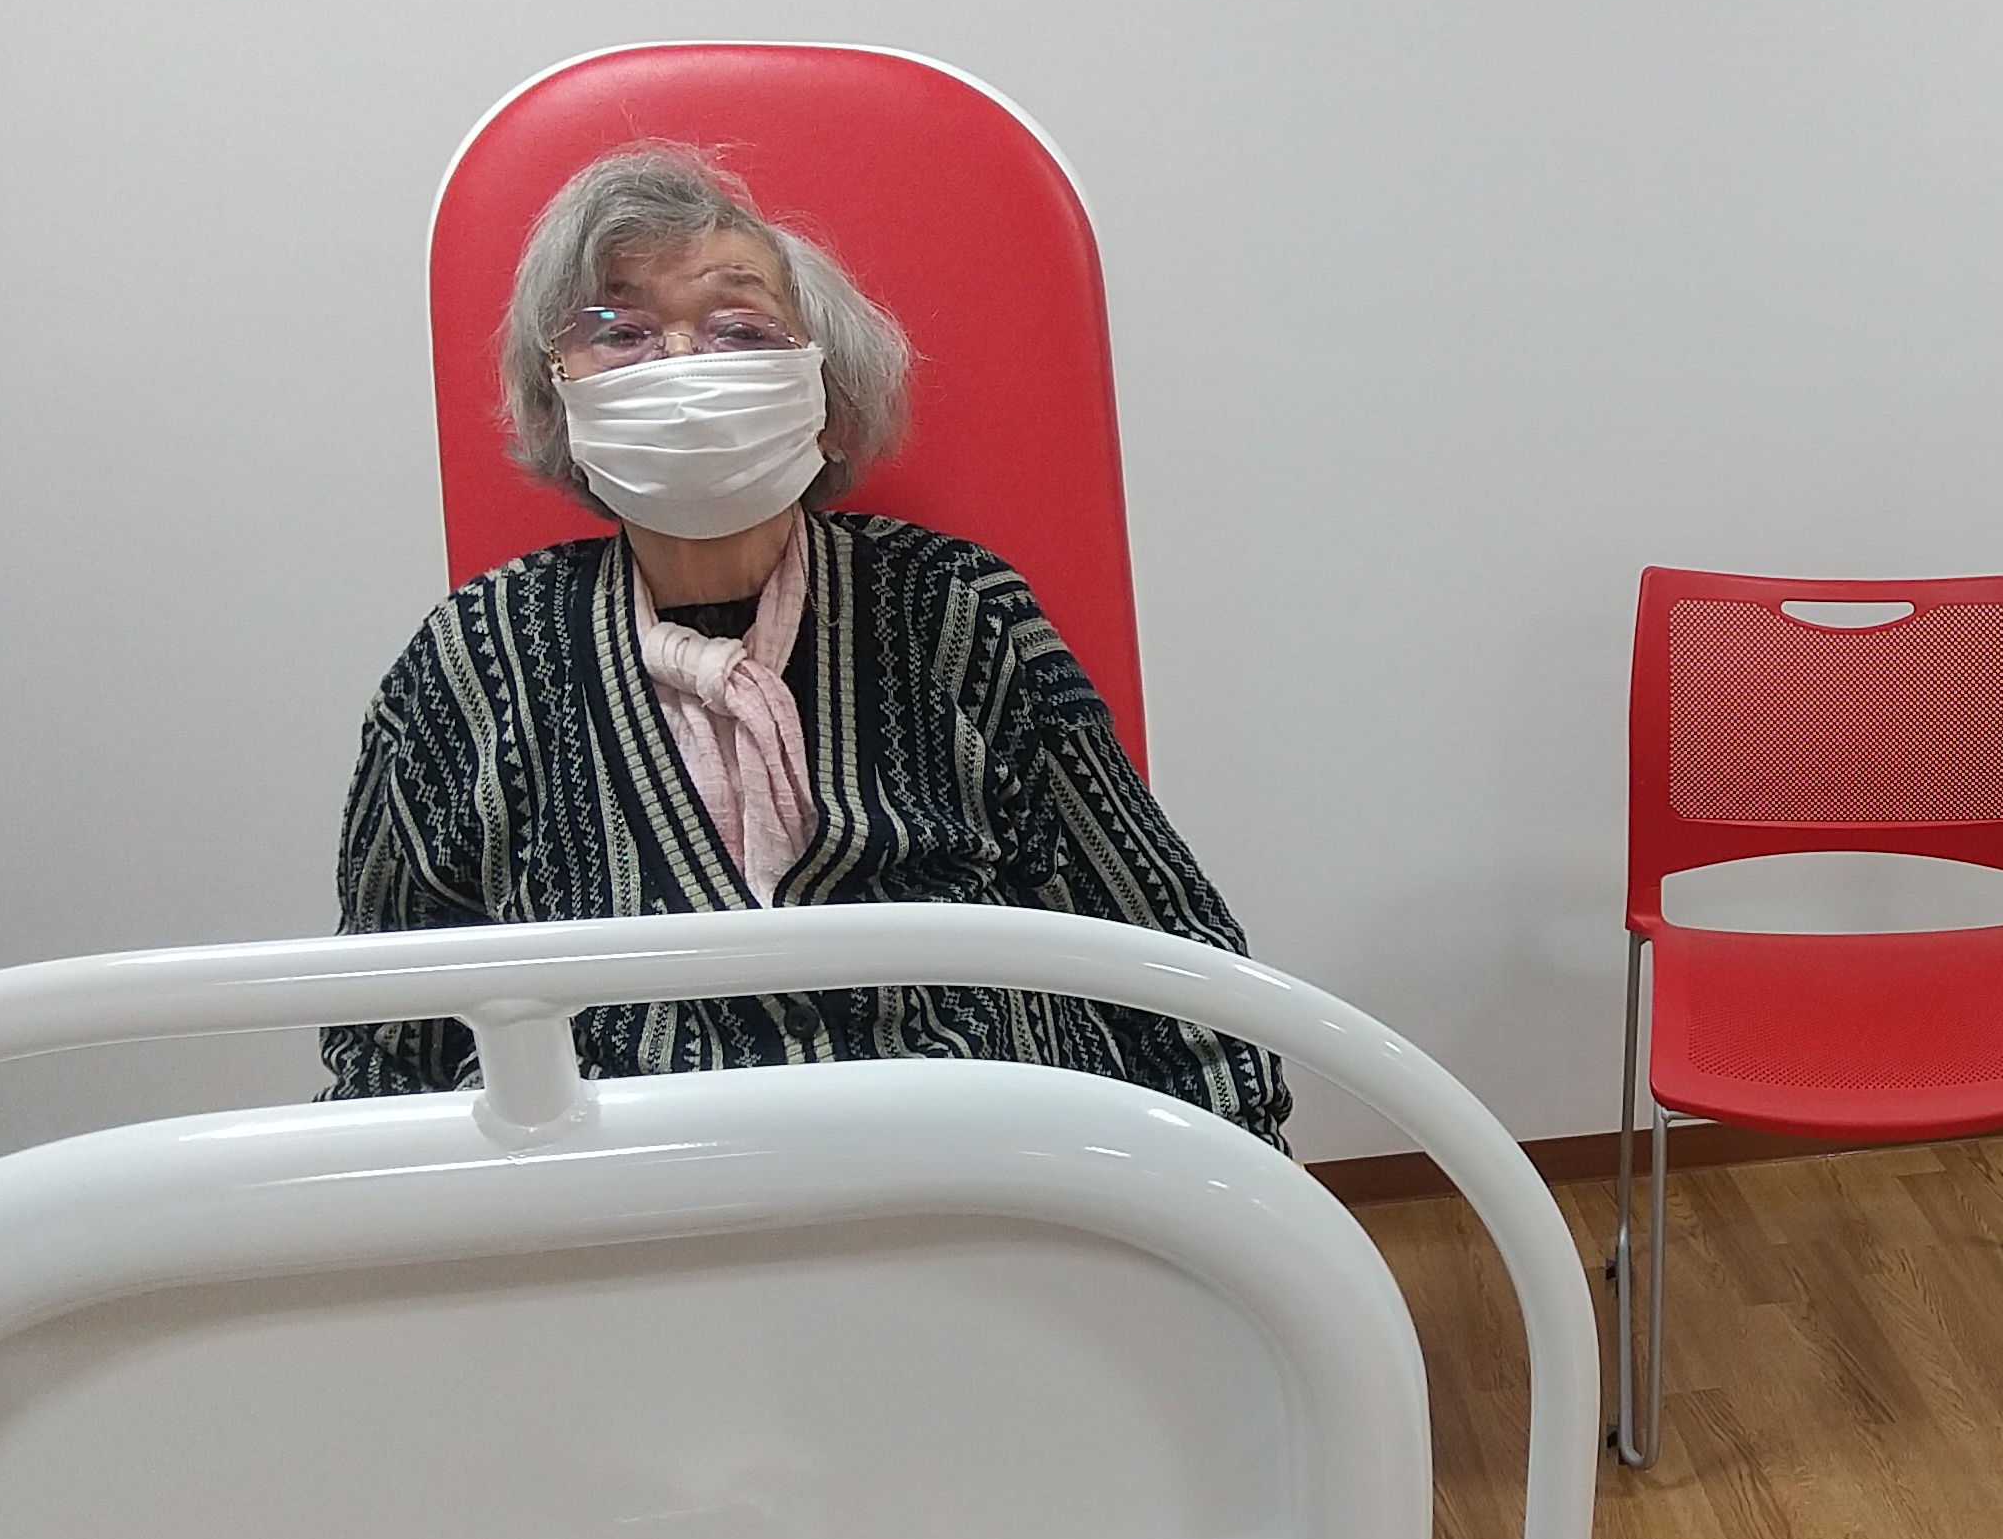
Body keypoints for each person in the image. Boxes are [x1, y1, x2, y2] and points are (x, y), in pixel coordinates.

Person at [327, 144, 1290, 1142]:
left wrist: (1238, 1180)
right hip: (627, 1207)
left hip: (983, 1175)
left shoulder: (953, 607)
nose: (684, 365)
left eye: (741, 327)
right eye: (620, 332)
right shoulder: (469, 663)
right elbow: (388, 1040)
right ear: (559, 398)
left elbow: (1159, 935)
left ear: (824, 394)